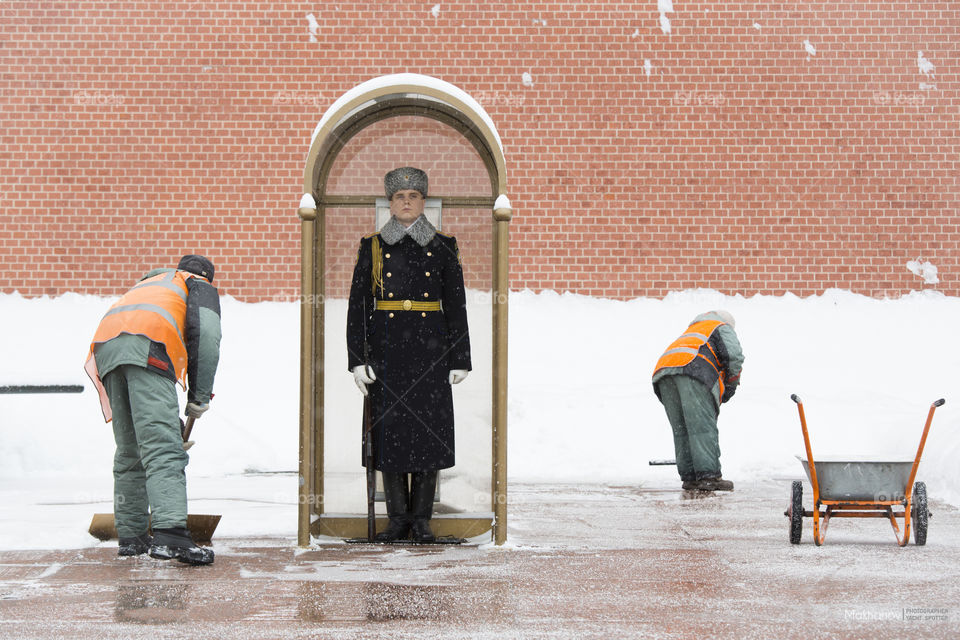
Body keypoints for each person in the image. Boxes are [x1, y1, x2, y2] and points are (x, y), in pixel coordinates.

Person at [346, 167, 472, 543]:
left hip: (430, 351)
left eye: (413, 196)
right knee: (391, 437)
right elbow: (358, 305)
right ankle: (397, 519)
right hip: (386, 353)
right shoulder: (371, 246)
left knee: (427, 437)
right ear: (390, 203)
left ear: (423, 202)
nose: (406, 202)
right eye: (399, 197)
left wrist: (460, 357)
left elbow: (456, 304)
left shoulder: (444, 245)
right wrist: (357, 358)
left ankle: (422, 520)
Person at [84, 255, 221, 564]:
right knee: (163, 448)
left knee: (131, 448)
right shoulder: (197, 285)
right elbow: (208, 337)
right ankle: (171, 536)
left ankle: (132, 537)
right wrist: (199, 396)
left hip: (106, 349)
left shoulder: (150, 283)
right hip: (148, 347)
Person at [652, 310, 744, 492]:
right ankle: (709, 477)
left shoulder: (693, 330)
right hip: (693, 370)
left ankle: (690, 477)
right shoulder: (721, 327)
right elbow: (734, 357)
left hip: (663, 374)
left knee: (682, 428)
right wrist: (731, 387)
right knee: (701, 427)